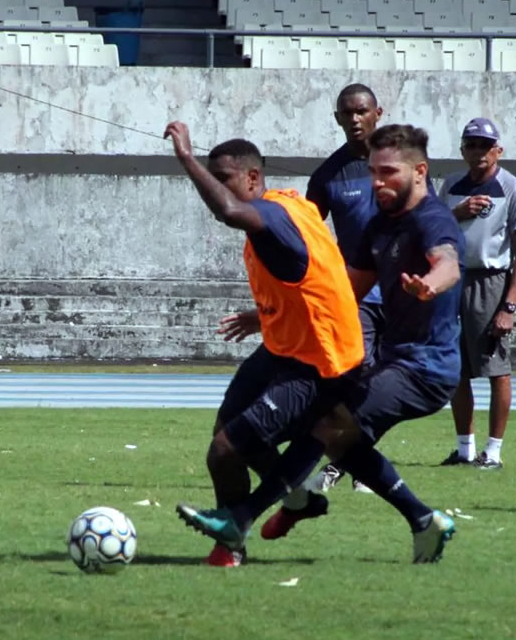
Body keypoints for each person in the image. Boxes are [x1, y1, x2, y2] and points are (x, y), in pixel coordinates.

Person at [205, 125, 465, 563]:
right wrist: (269, 312)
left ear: (420, 172)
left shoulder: (433, 219)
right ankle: (424, 520)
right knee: (344, 441)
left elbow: (450, 263)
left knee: (325, 425)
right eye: (372, 173)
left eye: (388, 173)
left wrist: (430, 285)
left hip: (426, 369)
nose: (377, 183)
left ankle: (244, 517)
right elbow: (344, 290)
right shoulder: (381, 224)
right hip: (388, 359)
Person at [163, 120, 365, 567]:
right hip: (284, 344)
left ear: (253, 178)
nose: (220, 189)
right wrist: (268, 315)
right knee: (227, 433)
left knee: (226, 449)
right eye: (214, 179)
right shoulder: (290, 207)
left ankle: (231, 538)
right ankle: (295, 500)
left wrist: (187, 160)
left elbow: (230, 213)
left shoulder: (270, 216)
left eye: (225, 179)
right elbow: (311, 276)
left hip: (320, 363)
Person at [219, 84, 385, 494]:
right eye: (346, 113)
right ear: (337, 119)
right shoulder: (329, 176)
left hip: (401, 295)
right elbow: (307, 245)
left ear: (378, 113)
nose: (354, 119)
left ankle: (346, 473)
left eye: (362, 111)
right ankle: (330, 475)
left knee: (370, 397)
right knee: (336, 402)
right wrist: (271, 312)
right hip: (351, 299)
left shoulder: (398, 166)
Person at [438, 118, 516, 469]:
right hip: (453, 277)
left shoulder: (512, 188)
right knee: (456, 370)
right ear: (463, 149)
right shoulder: (450, 185)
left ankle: (493, 452)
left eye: (485, 145)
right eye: (471, 144)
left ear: (498, 150)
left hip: (490, 280)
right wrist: (455, 214)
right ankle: (464, 449)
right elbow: (431, 229)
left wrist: (509, 305)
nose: (478, 151)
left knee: (496, 368)